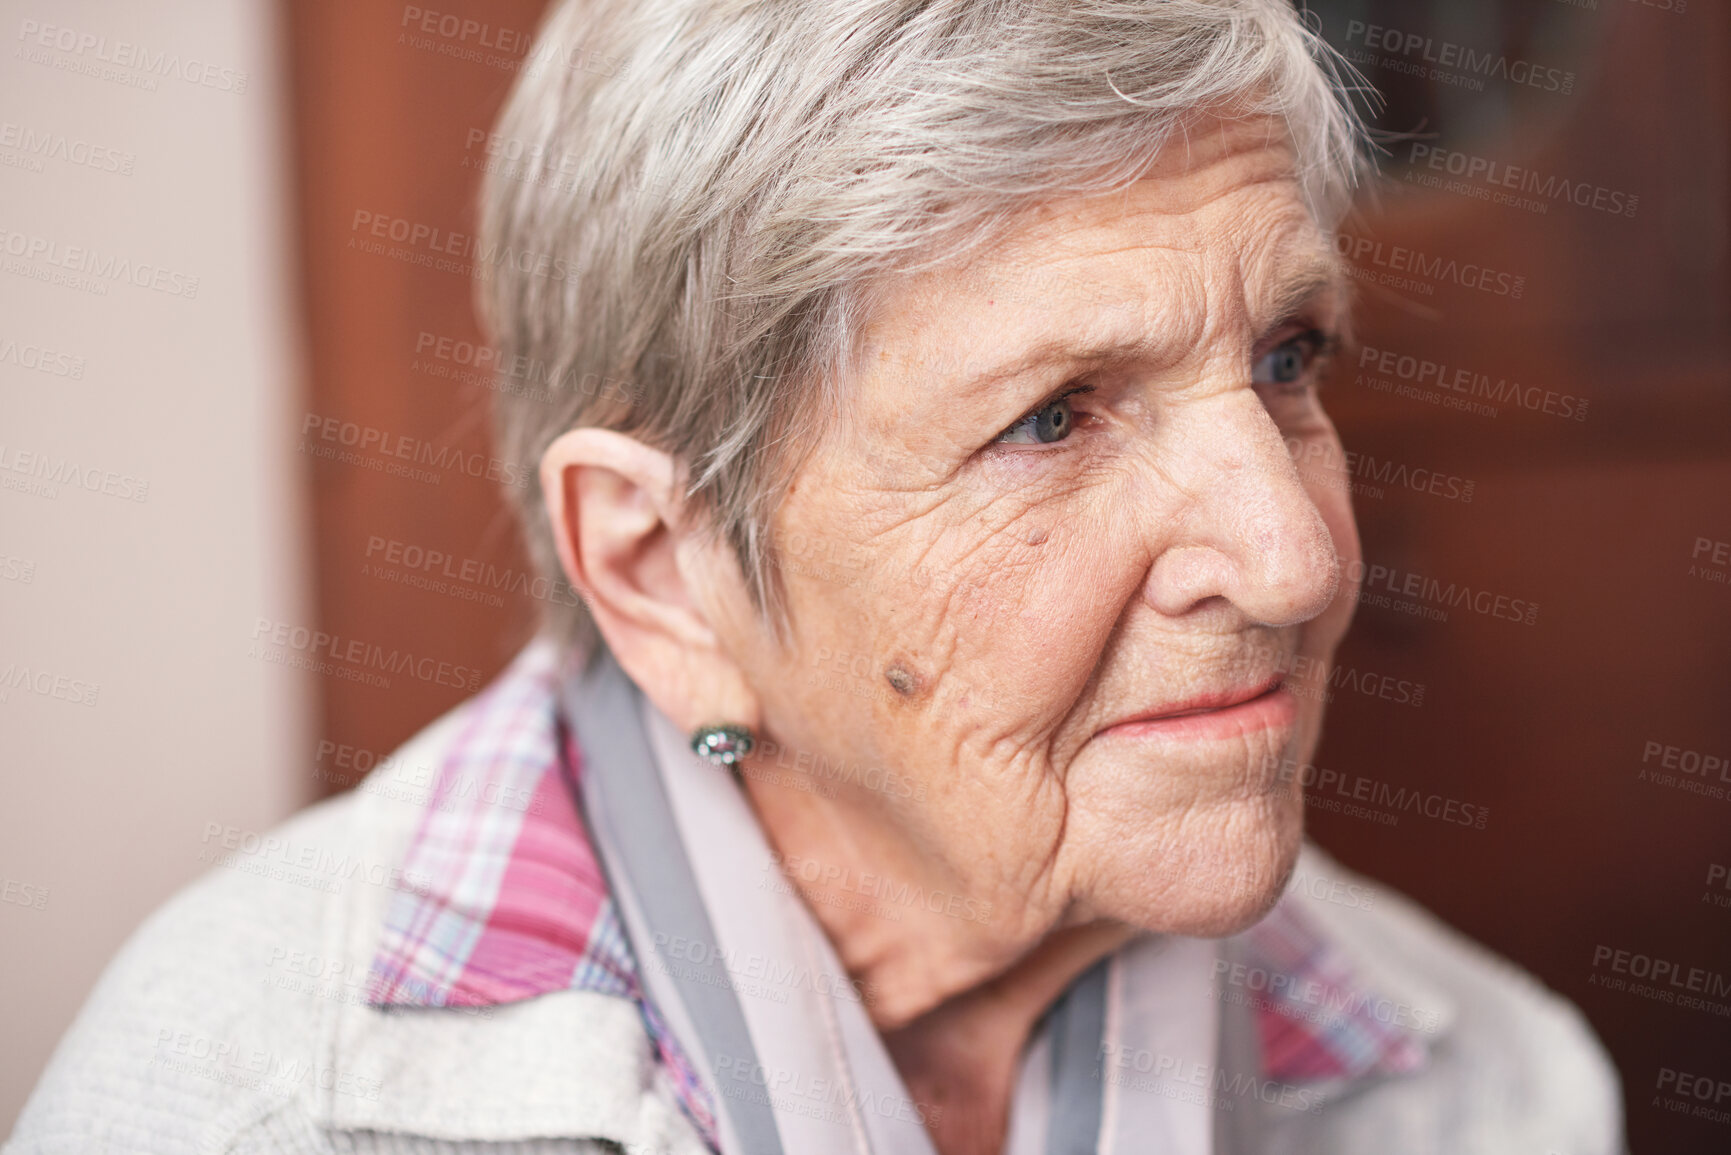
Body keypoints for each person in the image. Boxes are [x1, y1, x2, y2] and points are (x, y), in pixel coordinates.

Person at [7, 1, 1625, 1152]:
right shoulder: (245, 1108)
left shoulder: (1484, 1091)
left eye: (1287, 358)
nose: (1291, 554)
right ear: (662, 576)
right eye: (1051, 419)